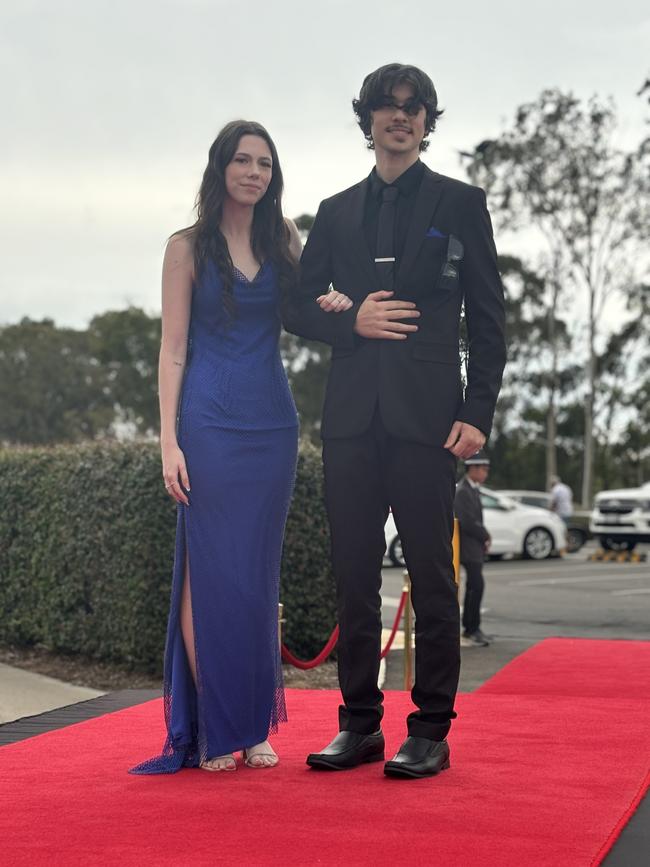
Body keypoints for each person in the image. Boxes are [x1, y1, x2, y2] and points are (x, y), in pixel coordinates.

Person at [284, 63, 506, 779]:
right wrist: (353, 321)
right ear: (369, 119)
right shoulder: (336, 209)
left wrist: (478, 414)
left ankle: (431, 728)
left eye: (413, 108)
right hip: (349, 422)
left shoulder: (461, 201)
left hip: (427, 423)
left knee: (433, 578)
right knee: (352, 577)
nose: (400, 117)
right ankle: (358, 724)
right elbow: (295, 307)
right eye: (388, 106)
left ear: (426, 121)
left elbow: (489, 320)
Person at [130, 120, 352, 775]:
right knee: (210, 572)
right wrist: (168, 439)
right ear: (220, 167)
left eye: (264, 161)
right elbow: (171, 350)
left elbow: (307, 307)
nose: (254, 171)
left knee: (256, 578)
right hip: (208, 422)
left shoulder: (283, 237)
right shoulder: (186, 247)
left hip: (272, 425)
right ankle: (218, 726)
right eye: (242, 160)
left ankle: (252, 724)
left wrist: (334, 299)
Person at [454, 451, 492, 647]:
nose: (486, 473)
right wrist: (485, 535)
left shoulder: (471, 489)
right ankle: (471, 628)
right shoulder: (463, 491)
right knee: (476, 585)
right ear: (473, 469)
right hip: (467, 547)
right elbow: (468, 522)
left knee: (475, 586)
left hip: (473, 546)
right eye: (484, 469)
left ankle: (473, 627)